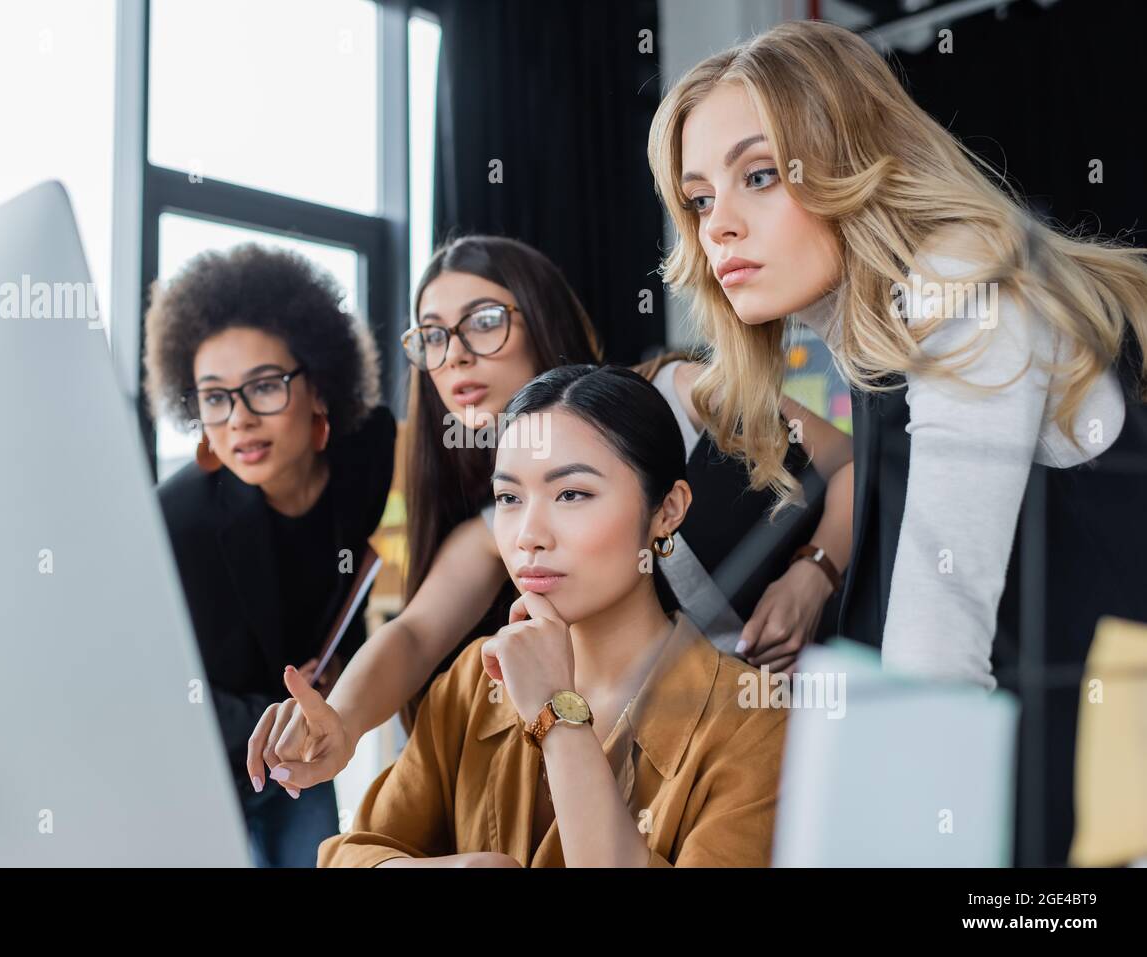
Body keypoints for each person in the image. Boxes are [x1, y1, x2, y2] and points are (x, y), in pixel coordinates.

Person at [647, 18, 1147, 863]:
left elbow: (938, 642)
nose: (716, 227)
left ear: (849, 157)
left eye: (759, 176)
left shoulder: (958, 282)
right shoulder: (876, 337)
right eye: (699, 200)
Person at [246, 235, 851, 802]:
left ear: (540, 318)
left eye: (484, 322)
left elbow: (849, 464)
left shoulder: (683, 393)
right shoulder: (500, 524)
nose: (454, 356)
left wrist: (813, 571)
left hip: (839, 692)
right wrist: (342, 720)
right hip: (712, 758)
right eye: (431, 336)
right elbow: (413, 633)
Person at [318, 365, 787, 867]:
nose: (528, 534)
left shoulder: (752, 724)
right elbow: (348, 854)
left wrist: (556, 713)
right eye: (509, 499)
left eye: (571, 494)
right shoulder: (474, 682)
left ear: (668, 509)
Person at [143, 243, 395, 867]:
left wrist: (337, 677)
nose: (239, 421)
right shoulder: (180, 516)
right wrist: (285, 715)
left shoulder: (366, 453)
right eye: (215, 397)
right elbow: (163, 691)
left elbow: (343, 594)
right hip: (203, 759)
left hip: (297, 753)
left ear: (319, 387)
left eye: (264, 386)